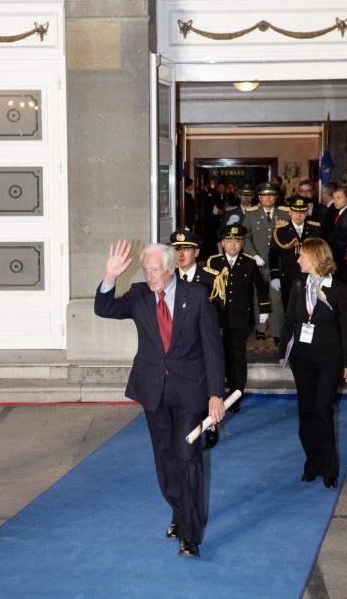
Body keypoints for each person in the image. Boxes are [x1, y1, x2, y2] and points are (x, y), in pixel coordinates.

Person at [95, 240, 225, 559]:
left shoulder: (196, 297)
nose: (149, 275)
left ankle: (190, 535)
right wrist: (109, 277)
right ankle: (180, 514)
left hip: (190, 393)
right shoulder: (139, 295)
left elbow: (212, 349)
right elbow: (104, 308)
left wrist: (215, 395)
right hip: (153, 391)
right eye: (145, 269)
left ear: (172, 269)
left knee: (187, 457)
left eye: (155, 270)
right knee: (165, 460)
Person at [279, 238, 347, 489]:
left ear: (315, 258)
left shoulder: (339, 290)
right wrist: (283, 351)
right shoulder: (298, 284)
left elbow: (346, 327)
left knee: (323, 410)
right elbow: (289, 319)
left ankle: (329, 468)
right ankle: (312, 463)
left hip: (329, 360)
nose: (298, 260)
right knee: (306, 413)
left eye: (301, 256)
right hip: (301, 359)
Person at [206, 223, 271, 412]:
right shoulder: (214, 262)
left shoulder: (249, 263)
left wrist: (264, 309)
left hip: (240, 318)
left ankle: (236, 392)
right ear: (222, 243)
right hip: (217, 318)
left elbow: (260, 287)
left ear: (242, 242)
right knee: (221, 354)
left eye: (237, 241)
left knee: (238, 355)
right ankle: (222, 388)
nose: (233, 244)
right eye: (229, 241)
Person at [170, 229, 221, 449]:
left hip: (201, 344)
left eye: (186, 249)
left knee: (205, 387)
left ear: (196, 251)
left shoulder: (210, 278)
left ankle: (210, 426)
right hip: (177, 347)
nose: (181, 254)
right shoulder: (168, 279)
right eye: (177, 250)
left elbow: (219, 314)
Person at [243, 182, 290, 344]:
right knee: (259, 298)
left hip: (278, 265)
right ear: (259, 197)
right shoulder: (251, 214)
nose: (268, 198)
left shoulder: (285, 214)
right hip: (258, 265)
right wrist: (254, 255)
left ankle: (277, 332)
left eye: (271, 195)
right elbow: (245, 239)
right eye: (264, 195)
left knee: (277, 300)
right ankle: (261, 329)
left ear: (276, 197)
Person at [269, 195, 323, 311]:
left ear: (307, 212)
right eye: (295, 211)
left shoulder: (315, 229)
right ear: (290, 212)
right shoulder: (280, 230)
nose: (299, 215)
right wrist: (274, 276)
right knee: (290, 310)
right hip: (288, 278)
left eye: (302, 212)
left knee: (310, 309)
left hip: (311, 277)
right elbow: (273, 254)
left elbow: (321, 254)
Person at [327, 185, 347, 286]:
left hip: (341, 261)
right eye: (334, 198)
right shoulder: (343, 213)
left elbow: (340, 241)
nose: (335, 201)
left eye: (339, 198)